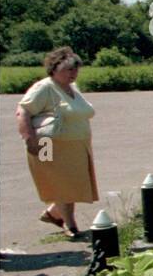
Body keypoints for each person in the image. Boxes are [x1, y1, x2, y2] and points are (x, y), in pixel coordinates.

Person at [14, 47, 98, 237]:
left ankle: (54, 213)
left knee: (73, 183)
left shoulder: (72, 88)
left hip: (74, 144)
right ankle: (70, 224)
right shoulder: (44, 87)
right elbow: (23, 111)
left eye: (76, 69)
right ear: (54, 68)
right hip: (48, 143)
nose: (73, 73)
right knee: (58, 181)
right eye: (68, 69)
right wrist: (29, 139)